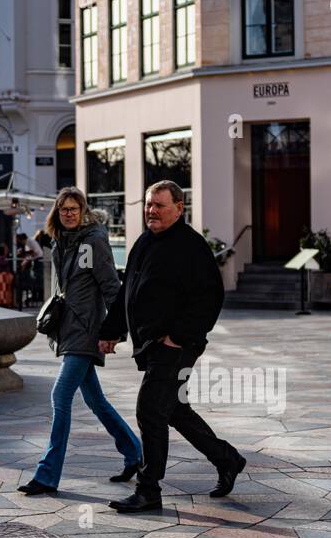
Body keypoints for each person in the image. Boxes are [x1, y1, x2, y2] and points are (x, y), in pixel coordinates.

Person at [102, 181, 246, 513]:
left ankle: (148, 489)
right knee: (173, 410)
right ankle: (228, 459)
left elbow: (210, 297)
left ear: (179, 208)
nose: (151, 211)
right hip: (153, 344)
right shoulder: (144, 242)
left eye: (159, 206)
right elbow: (128, 290)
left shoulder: (191, 246)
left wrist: (179, 336)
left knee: (150, 409)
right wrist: (111, 331)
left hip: (177, 345)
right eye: (148, 205)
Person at [18, 187, 142, 497]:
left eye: (74, 208)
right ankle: (135, 453)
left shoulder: (93, 241)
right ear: (57, 213)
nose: (69, 213)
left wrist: (116, 332)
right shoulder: (62, 242)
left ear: (83, 210)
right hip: (69, 329)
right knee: (95, 401)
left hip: (87, 331)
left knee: (60, 396)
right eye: (64, 209)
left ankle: (46, 475)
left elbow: (112, 288)